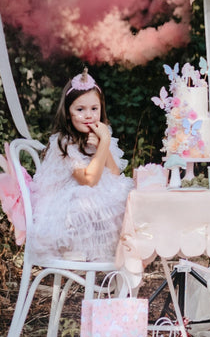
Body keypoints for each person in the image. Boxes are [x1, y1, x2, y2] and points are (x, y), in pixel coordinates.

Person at [27, 70, 134, 263]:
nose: (89, 116)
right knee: (87, 199)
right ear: (68, 113)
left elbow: (115, 173)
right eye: (80, 110)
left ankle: (124, 252)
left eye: (94, 109)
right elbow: (89, 180)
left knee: (128, 195)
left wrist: (104, 143)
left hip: (92, 207)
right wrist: (104, 142)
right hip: (69, 215)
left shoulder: (100, 134)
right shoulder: (65, 143)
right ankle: (76, 248)